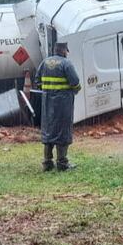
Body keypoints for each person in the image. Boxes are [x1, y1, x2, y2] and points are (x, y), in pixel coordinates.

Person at [34, 42, 81, 171]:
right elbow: (75, 83)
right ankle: (62, 163)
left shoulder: (44, 63)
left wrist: (48, 92)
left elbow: (37, 81)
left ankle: (47, 163)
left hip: (48, 103)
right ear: (64, 50)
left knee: (49, 131)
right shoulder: (66, 64)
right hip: (63, 103)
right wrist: (74, 90)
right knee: (62, 131)